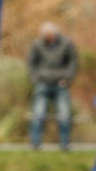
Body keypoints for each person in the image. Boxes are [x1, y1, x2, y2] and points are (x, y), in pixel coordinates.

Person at [26, 22, 78, 150]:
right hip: (42, 83)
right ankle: (35, 144)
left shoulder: (66, 44)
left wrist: (66, 78)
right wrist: (36, 79)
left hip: (61, 84)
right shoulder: (37, 45)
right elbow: (31, 63)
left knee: (64, 116)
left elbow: (73, 62)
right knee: (38, 115)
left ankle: (65, 145)